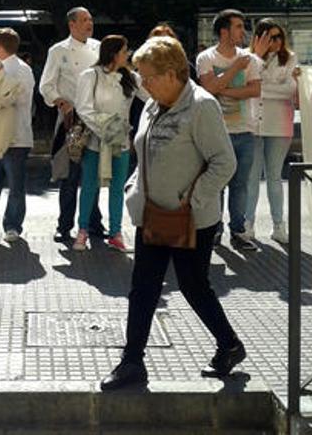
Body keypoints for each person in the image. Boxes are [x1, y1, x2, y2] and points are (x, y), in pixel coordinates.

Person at [100, 36, 245, 391]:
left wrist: (194, 201)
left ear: (172, 73)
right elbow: (145, 150)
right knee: (143, 289)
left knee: (195, 288)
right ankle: (132, 361)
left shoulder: (201, 106)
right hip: (152, 214)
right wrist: (135, 188)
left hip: (190, 220)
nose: (143, 84)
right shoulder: (154, 103)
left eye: (148, 76)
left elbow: (225, 162)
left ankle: (229, 345)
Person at [73, 35, 149, 252]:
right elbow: (84, 107)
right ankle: (82, 230)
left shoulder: (131, 78)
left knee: (117, 188)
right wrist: (106, 128)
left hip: (121, 141)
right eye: (125, 51)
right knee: (89, 187)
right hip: (97, 141)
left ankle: (115, 232)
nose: (128, 55)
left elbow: (151, 96)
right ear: (114, 53)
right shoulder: (90, 76)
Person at [39, 6, 106, 243]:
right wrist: (60, 102)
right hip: (73, 121)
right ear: (72, 25)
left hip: (97, 120)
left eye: (91, 19)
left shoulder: (100, 47)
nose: (90, 23)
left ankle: (94, 224)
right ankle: (64, 226)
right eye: (85, 19)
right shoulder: (58, 51)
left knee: (95, 174)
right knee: (70, 175)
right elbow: (46, 85)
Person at [196, 9, 261, 251]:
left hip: (245, 129)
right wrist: (233, 71)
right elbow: (208, 88)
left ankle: (239, 231)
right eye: (238, 27)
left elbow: (255, 90)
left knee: (240, 184)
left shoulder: (250, 59)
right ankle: (214, 229)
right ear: (223, 31)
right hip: (215, 131)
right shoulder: (206, 57)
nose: (243, 31)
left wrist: (222, 88)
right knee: (216, 184)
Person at [244, 19, 297, 244]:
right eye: (269, 37)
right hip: (253, 123)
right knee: (251, 178)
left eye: (278, 37)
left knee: (275, 176)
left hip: (279, 124)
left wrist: (262, 88)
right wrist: (260, 60)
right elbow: (248, 87)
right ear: (259, 38)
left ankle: (279, 225)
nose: (274, 42)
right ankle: (247, 224)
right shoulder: (249, 59)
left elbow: (289, 90)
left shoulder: (290, 58)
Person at [0, 28, 35, 243]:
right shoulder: (22, 69)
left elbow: (14, 99)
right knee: (5, 184)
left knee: (6, 184)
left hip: (13, 136)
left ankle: (5, 224)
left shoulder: (15, 70)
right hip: (10, 135)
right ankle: (6, 225)